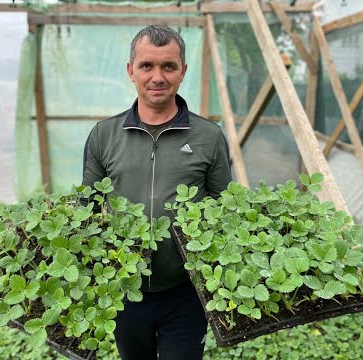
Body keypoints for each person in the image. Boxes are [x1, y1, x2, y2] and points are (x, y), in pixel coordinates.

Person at [82, 25, 232, 360]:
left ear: (183, 72)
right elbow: (87, 211)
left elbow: (226, 209)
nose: (157, 77)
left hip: (187, 291)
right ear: (130, 70)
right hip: (125, 290)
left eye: (169, 66)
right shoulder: (103, 135)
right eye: (147, 65)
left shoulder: (209, 136)